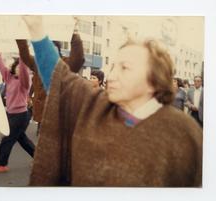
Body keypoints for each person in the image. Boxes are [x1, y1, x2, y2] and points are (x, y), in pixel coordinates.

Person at [23, 16, 202, 187]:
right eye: (114, 66)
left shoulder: (183, 132)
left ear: (154, 80)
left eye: (125, 68)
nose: (112, 75)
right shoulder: (95, 105)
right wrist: (36, 29)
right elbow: (59, 80)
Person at [16, 18, 84, 136]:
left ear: (58, 51)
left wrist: (74, 33)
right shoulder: (38, 63)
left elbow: (78, 59)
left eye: (52, 49)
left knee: (59, 150)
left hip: (60, 116)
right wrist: (20, 34)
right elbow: (25, 55)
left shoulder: (65, 64)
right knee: (43, 149)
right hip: (43, 115)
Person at [0, 50, 35, 174]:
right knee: (22, 139)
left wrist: (22, 58)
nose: (20, 69)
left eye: (22, 68)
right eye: (18, 67)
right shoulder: (9, 78)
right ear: (14, 68)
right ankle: (38, 158)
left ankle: (2, 165)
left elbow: (24, 71)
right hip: (10, 113)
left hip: (20, 115)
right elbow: (2, 68)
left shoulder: (25, 82)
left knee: (7, 139)